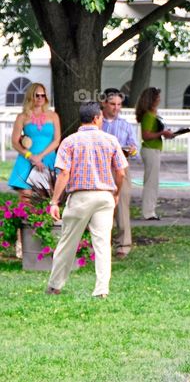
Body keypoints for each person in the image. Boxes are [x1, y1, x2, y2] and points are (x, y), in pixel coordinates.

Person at [45, 102, 128, 298]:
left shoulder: (70, 141)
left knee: (67, 243)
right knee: (102, 244)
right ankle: (101, 290)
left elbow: (64, 174)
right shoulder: (110, 140)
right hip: (104, 196)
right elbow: (121, 173)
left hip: (80, 197)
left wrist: (54, 201)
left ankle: (55, 285)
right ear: (97, 118)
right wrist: (116, 194)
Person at [100, 88, 138, 258]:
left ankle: (123, 245)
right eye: (112, 104)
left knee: (122, 205)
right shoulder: (97, 123)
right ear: (104, 103)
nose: (116, 108)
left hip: (121, 167)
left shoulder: (125, 125)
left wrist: (132, 151)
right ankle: (101, 244)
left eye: (119, 105)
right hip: (100, 168)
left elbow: (135, 148)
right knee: (101, 206)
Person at [9, 82, 61, 195]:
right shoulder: (22, 117)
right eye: (37, 95)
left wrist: (40, 157)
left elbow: (57, 140)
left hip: (48, 159)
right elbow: (14, 142)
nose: (40, 98)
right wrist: (31, 156)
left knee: (48, 197)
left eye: (43, 95)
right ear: (30, 96)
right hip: (27, 159)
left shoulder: (53, 116)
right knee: (26, 197)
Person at [135, 87, 173, 220]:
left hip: (155, 149)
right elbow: (146, 135)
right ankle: (148, 212)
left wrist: (165, 134)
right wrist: (162, 133)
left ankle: (151, 210)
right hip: (150, 150)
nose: (159, 100)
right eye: (157, 98)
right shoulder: (148, 116)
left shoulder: (153, 114)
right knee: (151, 182)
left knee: (153, 182)